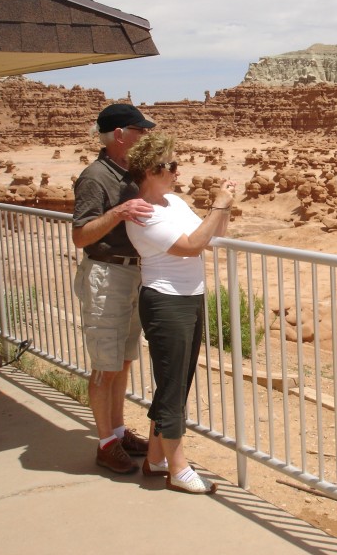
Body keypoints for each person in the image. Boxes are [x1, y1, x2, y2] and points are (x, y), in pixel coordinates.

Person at [124, 132, 236, 494]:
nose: (177, 170)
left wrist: (226, 205)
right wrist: (217, 205)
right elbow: (189, 247)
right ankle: (178, 468)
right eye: (171, 165)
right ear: (153, 170)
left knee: (178, 382)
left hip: (190, 297)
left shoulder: (173, 202)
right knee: (172, 385)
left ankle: (156, 458)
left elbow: (211, 235)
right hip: (165, 301)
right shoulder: (143, 212)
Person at [72, 103, 156, 474]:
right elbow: (80, 236)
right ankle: (105, 443)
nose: (144, 136)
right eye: (139, 131)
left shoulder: (131, 173)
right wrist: (118, 214)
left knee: (122, 359)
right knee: (105, 365)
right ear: (119, 135)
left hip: (131, 275)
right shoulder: (94, 177)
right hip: (106, 276)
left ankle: (119, 431)